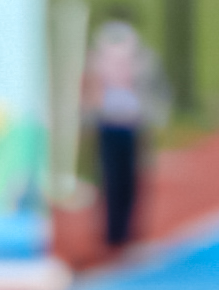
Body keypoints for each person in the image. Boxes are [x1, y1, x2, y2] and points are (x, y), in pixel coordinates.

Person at [84, 16, 162, 254]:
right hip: (116, 124)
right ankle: (117, 231)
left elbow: (152, 90)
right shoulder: (101, 59)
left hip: (123, 124)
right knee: (117, 180)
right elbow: (90, 91)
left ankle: (120, 231)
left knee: (121, 180)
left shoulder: (139, 58)